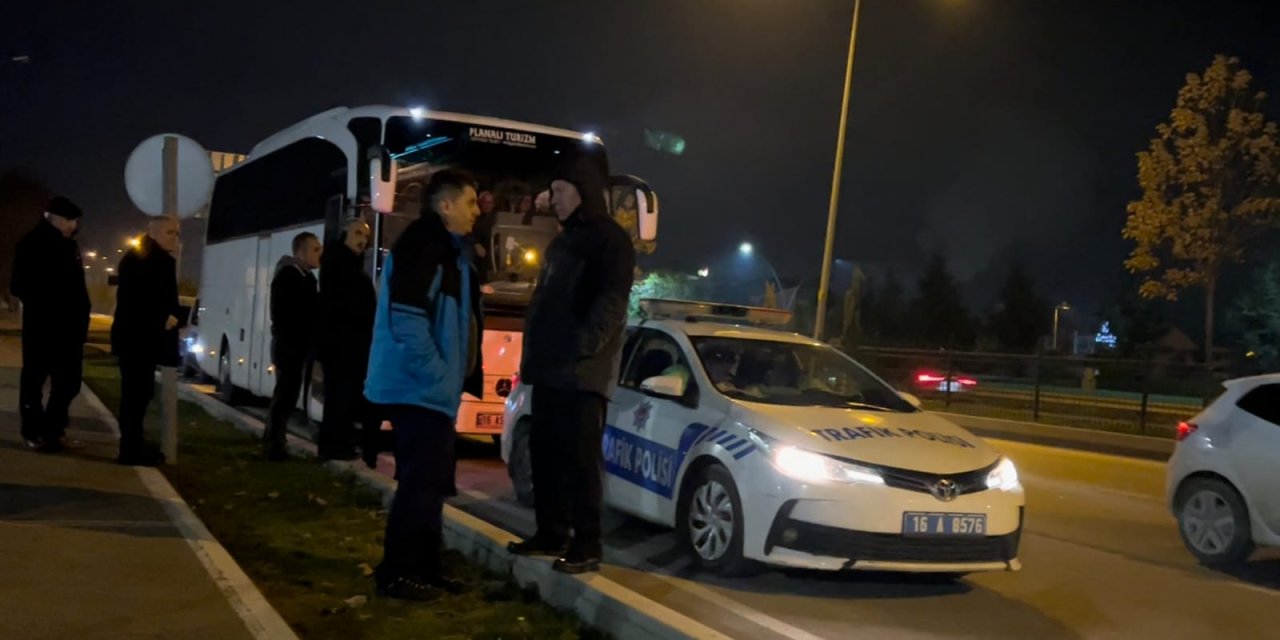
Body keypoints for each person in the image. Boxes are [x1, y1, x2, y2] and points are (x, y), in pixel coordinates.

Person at [508, 158, 637, 574]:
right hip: (548, 370)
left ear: (583, 191)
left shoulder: (610, 241)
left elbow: (611, 303)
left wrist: (581, 347)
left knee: (580, 460)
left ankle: (587, 543)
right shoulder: (563, 241)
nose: (553, 200)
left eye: (560, 191)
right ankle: (550, 532)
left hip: (582, 374)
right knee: (544, 453)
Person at [365, 169, 482, 601]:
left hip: (430, 391)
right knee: (418, 484)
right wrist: (438, 374)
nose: (477, 211)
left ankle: (426, 569)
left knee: (430, 485)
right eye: (470, 203)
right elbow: (408, 320)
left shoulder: (449, 250)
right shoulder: (424, 246)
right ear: (445, 205)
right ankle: (396, 574)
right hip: (417, 389)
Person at [10, 196, 91, 452]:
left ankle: (53, 428)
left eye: (75, 221)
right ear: (52, 217)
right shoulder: (32, 244)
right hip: (44, 327)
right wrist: (49, 301)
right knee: (35, 380)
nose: (73, 225)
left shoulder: (69, 247)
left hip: (70, 328)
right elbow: (19, 285)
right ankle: (34, 431)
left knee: (69, 382)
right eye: (69, 220)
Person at [111, 215, 182, 466]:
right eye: (170, 232)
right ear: (154, 233)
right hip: (138, 340)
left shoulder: (147, 258)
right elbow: (136, 300)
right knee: (135, 396)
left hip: (139, 340)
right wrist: (163, 318)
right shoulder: (145, 260)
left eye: (177, 232)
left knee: (138, 396)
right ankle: (130, 451)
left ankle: (133, 447)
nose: (176, 238)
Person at [317, 218, 375, 462]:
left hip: (348, 345)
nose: (362, 239)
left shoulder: (348, 264)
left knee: (342, 397)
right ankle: (335, 445)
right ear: (345, 234)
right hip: (343, 345)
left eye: (365, 236)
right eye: (357, 233)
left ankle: (337, 443)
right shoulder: (339, 265)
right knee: (339, 397)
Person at [264, 232, 322, 461]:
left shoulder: (307, 278)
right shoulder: (288, 277)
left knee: (288, 395)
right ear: (301, 252)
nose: (320, 255)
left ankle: (276, 440)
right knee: (285, 395)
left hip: (299, 348)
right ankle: (274, 444)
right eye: (315, 249)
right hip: (289, 349)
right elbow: (285, 317)